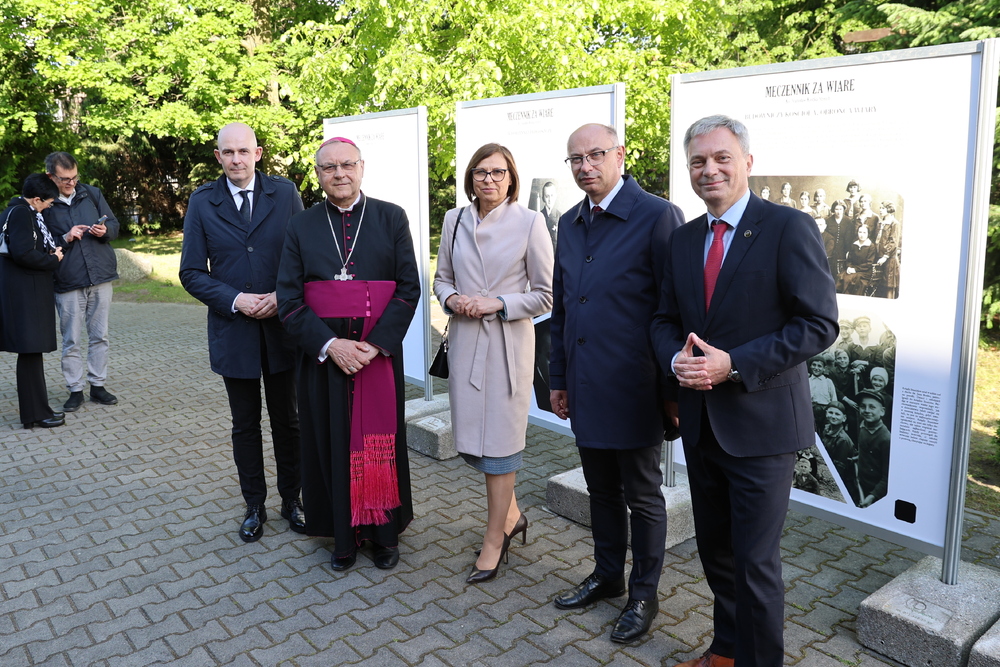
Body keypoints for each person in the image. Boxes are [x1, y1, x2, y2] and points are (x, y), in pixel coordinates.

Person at [651, 115, 838, 667]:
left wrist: (734, 365)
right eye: (698, 161)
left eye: (721, 158)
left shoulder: (788, 227)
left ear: (747, 163)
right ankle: (727, 653)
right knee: (717, 553)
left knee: (756, 565)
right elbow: (663, 319)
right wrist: (674, 358)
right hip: (701, 425)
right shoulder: (684, 239)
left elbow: (819, 324)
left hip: (761, 428)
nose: (709, 170)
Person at [549, 123, 684, 644]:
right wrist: (558, 378)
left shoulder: (656, 216)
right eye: (576, 159)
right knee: (600, 489)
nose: (586, 166)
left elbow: (674, 309)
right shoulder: (570, 222)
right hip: (584, 383)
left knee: (642, 496)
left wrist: (671, 392)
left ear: (620, 155)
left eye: (596, 155)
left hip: (636, 387)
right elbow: (563, 308)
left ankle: (643, 594)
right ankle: (607, 576)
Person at [276, 137, 419, 572]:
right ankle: (343, 535)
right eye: (329, 167)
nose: (339, 173)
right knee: (330, 443)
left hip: (377, 358)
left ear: (361, 167)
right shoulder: (301, 226)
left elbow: (408, 288)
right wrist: (331, 345)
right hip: (324, 360)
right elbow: (289, 300)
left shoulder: (391, 217)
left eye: (347, 165)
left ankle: (383, 534)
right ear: (318, 175)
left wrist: (374, 346)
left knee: (380, 444)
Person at [433, 143, 554, 584]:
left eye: (498, 172)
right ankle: (514, 515)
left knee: (501, 448)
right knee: (472, 445)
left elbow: (546, 294)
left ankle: (494, 538)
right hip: (467, 343)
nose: (489, 179)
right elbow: (441, 279)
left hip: (507, 347)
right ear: (471, 177)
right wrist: (453, 299)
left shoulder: (530, 222)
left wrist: (498, 302)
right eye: (481, 172)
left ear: (511, 178)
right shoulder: (455, 220)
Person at [179, 123, 306, 543]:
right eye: (228, 152)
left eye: (244, 151)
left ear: (258, 153)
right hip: (234, 330)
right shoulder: (202, 202)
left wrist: (281, 296)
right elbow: (191, 272)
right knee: (245, 425)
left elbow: (306, 258)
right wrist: (235, 299)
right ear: (218, 156)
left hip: (283, 329)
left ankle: (293, 500)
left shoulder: (284, 194)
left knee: (288, 422)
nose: (237, 159)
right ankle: (254, 505)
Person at [43, 152, 121, 411]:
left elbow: (114, 225)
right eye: (65, 179)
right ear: (50, 177)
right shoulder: (44, 203)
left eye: (75, 177)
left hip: (100, 275)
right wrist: (65, 238)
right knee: (71, 339)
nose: (71, 183)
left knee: (100, 335)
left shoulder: (92, 193)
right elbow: (39, 244)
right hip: (67, 279)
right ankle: (75, 389)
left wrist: (105, 231)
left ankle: (97, 386)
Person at [0, 174, 66, 428]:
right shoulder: (21, 213)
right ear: (37, 199)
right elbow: (23, 253)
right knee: (29, 353)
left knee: (31, 353)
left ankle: (38, 411)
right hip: (25, 295)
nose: (49, 206)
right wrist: (53, 259)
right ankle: (35, 415)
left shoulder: (17, 211)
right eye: (48, 202)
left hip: (25, 292)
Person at [819, 401, 861, 505]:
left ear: (844, 418)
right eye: (831, 412)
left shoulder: (843, 440)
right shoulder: (826, 429)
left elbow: (839, 469)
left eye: (837, 414)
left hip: (845, 483)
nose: (833, 416)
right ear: (826, 413)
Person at [856, 389, 891, 508]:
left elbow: (888, 477)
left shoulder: (886, 439)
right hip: (861, 484)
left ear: (882, 411)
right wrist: (859, 456)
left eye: (872, 407)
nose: (866, 410)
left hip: (875, 493)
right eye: (863, 406)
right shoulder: (863, 426)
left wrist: (873, 496)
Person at [874, 202, 901, 299]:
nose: (880, 210)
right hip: (878, 257)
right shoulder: (880, 222)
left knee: (889, 287)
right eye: (880, 208)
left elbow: (893, 242)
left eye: (883, 208)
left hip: (889, 260)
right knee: (879, 287)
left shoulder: (894, 223)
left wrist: (885, 256)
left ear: (889, 210)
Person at [841, 224, 876, 296]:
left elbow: (869, 263)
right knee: (841, 277)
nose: (862, 235)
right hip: (852, 269)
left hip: (864, 272)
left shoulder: (871, 246)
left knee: (850, 279)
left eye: (864, 232)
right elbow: (849, 259)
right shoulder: (854, 244)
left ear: (868, 234)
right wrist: (849, 267)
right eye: (860, 232)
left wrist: (855, 269)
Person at [539, 181, 562, 248]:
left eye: (552, 195)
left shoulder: (561, 216)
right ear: (543, 198)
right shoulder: (538, 216)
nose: (550, 199)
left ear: (555, 196)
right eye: (547, 196)